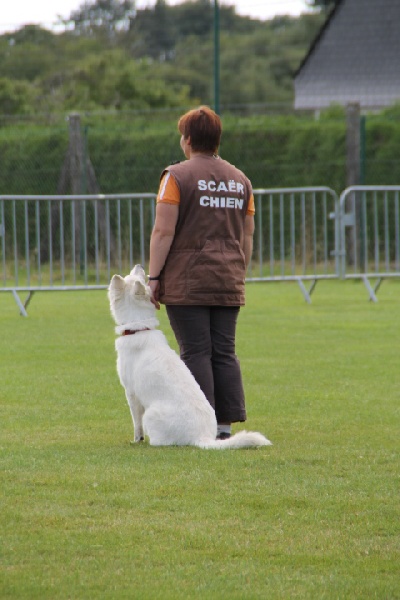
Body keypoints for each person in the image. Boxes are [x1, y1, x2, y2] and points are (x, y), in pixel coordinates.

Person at [148, 106, 255, 440]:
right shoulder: (241, 180)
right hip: (228, 278)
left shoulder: (175, 177)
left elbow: (163, 233)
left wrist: (153, 278)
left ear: (189, 139)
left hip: (187, 281)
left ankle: (202, 423)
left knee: (195, 351)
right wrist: (238, 271)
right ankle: (224, 425)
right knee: (224, 351)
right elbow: (247, 235)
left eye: (183, 135)